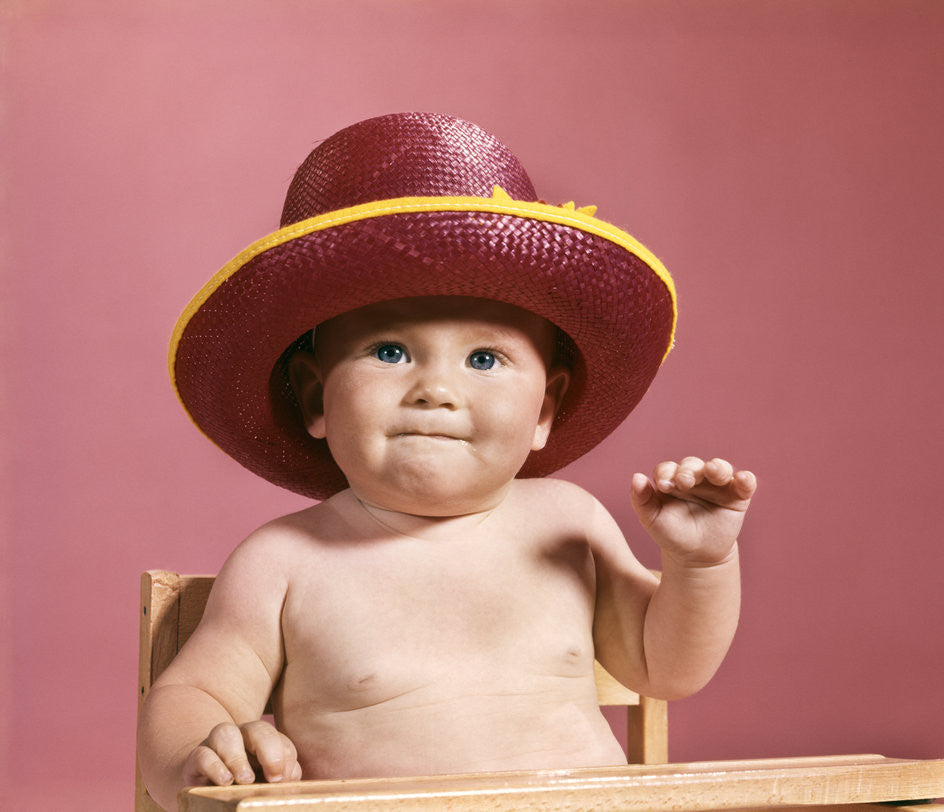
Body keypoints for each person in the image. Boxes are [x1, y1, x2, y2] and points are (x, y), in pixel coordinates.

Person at [137, 112, 756, 810]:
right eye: (390, 352)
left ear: (545, 409)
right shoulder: (286, 560)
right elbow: (194, 694)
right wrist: (200, 755)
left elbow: (664, 665)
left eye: (485, 358)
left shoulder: (568, 525)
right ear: (314, 396)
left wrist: (700, 567)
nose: (436, 389)